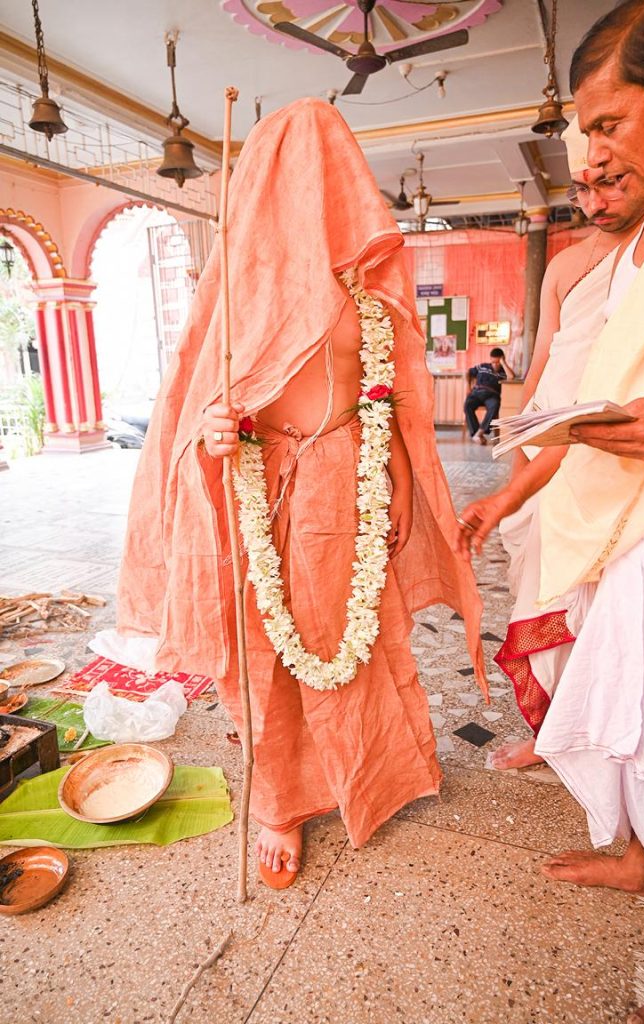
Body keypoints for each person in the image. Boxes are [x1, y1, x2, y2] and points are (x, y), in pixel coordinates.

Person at [113, 98, 487, 887]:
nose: (312, 197)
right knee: (263, 655)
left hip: (345, 493)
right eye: (295, 179)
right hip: (259, 486)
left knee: (361, 643)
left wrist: (395, 490)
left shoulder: (368, 296)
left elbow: (393, 409)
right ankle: (279, 801)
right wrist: (211, 432)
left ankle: (377, 770)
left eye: (329, 175)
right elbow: (186, 414)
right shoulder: (236, 299)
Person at [456, 0, 644, 969]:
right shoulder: (641, 237)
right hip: (619, 528)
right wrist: (505, 494)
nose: (591, 161)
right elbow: (586, 399)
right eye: (582, 139)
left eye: (606, 124)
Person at [490, 116, 644, 770]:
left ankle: (613, 737)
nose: (592, 203)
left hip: (611, 445)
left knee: (599, 597)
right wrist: (522, 440)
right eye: (581, 191)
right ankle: (551, 729)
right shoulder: (561, 265)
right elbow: (542, 362)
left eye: (608, 185)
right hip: (548, 430)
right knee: (538, 585)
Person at [464, 347, 513, 443]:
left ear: (502, 360)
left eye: (498, 362)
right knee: (467, 405)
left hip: (492, 395)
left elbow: (511, 377)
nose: (495, 365)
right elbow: (468, 372)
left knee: (495, 405)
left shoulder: (504, 371)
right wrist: (468, 386)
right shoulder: (483, 366)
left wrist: (504, 363)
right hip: (476, 393)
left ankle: (479, 433)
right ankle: (476, 434)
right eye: (493, 362)